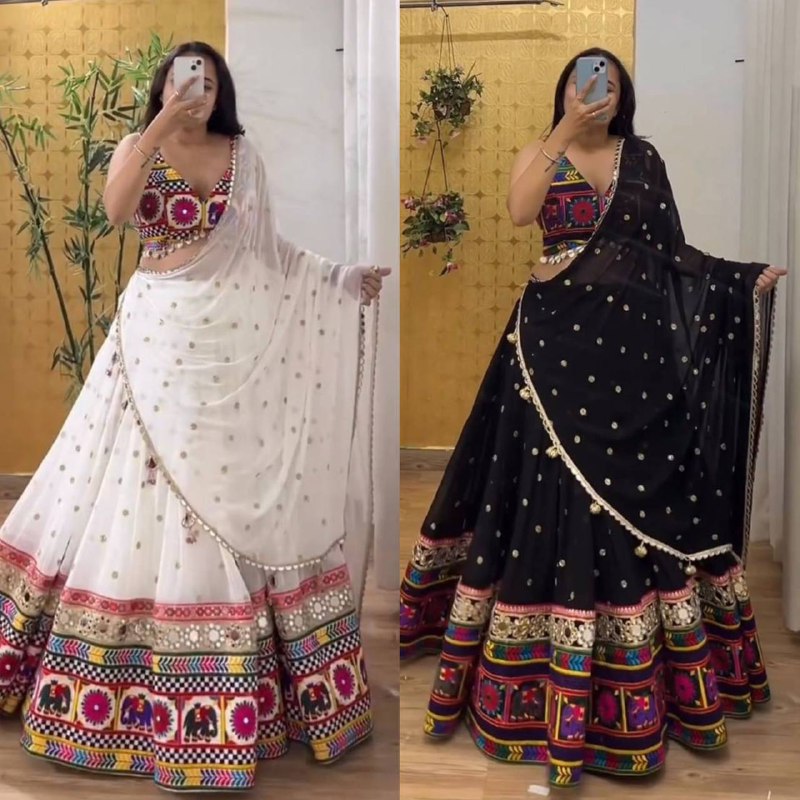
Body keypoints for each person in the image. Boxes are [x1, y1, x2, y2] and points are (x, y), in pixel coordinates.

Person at [0, 41, 389, 793]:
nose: (197, 89)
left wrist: (340, 278)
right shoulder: (137, 146)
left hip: (229, 342)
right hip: (156, 334)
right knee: (143, 486)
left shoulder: (244, 155)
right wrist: (156, 129)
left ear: (223, 90)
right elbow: (117, 211)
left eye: (208, 80)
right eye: (185, 78)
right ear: (163, 86)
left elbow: (270, 251)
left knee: (228, 487)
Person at [399, 47, 786, 788]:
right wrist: (562, 132)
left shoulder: (643, 159)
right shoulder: (541, 151)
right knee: (550, 494)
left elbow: (671, 252)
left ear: (624, 92)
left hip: (632, 357)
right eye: (584, 77)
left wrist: (737, 279)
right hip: (551, 349)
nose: (596, 87)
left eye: (608, 78)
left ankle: (649, 676)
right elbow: (520, 213)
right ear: (566, 89)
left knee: (642, 493)